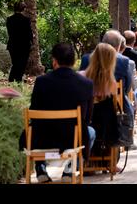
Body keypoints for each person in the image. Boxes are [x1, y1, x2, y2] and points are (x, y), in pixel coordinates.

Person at [26, 43, 95, 183]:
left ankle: (40, 167)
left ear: (54, 61)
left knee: (35, 127)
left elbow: (34, 110)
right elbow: (87, 118)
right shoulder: (86, 83)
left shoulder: (41, 82)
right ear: (74, 61)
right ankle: (70, 168)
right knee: (91, 131)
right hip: (72, 138)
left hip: (41, 138)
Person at [80, 30, 133, 126]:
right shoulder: (124, 61)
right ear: (118, 46)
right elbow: (127, 87)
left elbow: (81, 84)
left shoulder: (86, 58)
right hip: (114, 108)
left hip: (88, 109)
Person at [80, 43, 119, 168]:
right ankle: (109, 161)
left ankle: (88, 161)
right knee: (111, 114)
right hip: (104, 128)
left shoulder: (80, 77)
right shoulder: (111, 83)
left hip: (84, 121)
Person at [6, 2, 33, 82]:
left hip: (12, 45)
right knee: (22, 64)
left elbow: (9, 32)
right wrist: (32, 41)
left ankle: (12, 80)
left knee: (15, 63)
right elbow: (29, 34)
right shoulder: (26, 20)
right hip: (24, 46)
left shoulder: (9, 19)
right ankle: (17, 80)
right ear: (23, 9)